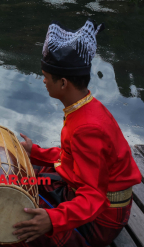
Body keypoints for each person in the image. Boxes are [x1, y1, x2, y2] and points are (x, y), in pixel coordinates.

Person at [11, 20, 141, 246]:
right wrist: (35, 151)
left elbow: (94, 196)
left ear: (62, 83)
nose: (43, 80)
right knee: (24, 173)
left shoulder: (87, 128)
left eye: (45, 75)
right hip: (84, 192)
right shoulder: (85, 107)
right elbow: (71, 158)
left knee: (19, 222)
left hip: (100, 219)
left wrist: (53, 220)